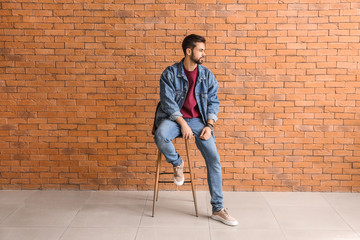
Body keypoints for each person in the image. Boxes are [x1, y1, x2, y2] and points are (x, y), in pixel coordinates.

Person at [153, 34, 238, 226]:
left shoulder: (207, 75)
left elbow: (213, 102)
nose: (204, 54)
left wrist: (209, 126)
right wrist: (183, 124)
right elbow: (167, 103)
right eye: (201, 50)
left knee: (214, 159)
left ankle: (218, 208)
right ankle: (177, 163)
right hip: (174, 119)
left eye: (203, 50)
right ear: (188, 51)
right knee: (160, 135)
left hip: (199, 121)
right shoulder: (169, 74)